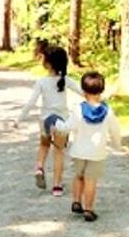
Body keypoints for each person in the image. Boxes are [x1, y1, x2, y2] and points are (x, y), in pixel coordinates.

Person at [12, 46, 81, 196]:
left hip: (45, 121)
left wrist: (19, 119)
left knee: (44, 145)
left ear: (48, 64)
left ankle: (39, 167)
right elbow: (83, 91)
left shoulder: (41, 82)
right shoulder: (66, 80)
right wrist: (99, 100)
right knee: (58, 152)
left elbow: (31, 102)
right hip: (62, 122)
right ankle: (57, 186)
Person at [58, 71, 122, 222]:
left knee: (79, 176)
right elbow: (115, 130)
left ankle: (76, 201)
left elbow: (68, 127)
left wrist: (57, 124)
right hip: (97, 153)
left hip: (79, 151)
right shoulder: (108, 111)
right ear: (102, 90)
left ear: (83, 90)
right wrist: (116, 145)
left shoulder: (78, 109)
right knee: (91, 180)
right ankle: (89, 209)